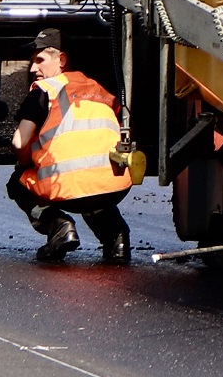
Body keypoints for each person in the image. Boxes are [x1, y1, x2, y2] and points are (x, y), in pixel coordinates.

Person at [7, 29, 133, 264]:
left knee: (17, 183)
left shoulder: (44, 91)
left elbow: (19, 142)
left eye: (39, 60)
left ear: (61, 60)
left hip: (70, 190)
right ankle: (117, 238)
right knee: (93, 184)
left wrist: (26, 165)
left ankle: (59, 228)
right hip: (116, 187)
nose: (33, 69)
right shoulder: (100, 90)